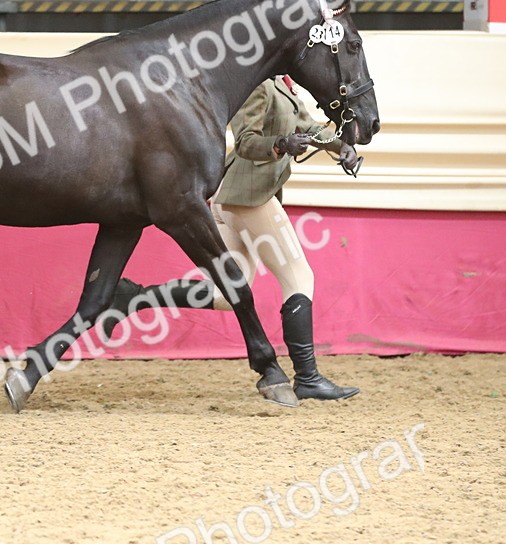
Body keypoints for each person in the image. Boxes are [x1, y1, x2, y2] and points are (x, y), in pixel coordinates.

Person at [115, 75, 361, 401]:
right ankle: (307, 377)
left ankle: (135, 297)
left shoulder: (284, 86)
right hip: (250, 198)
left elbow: (309, 126)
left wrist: (342, 147)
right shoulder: (259, 85)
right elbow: (245, 141)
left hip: (230, 200)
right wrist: (281, 144)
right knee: (299, 277)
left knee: (225, 293)